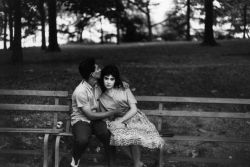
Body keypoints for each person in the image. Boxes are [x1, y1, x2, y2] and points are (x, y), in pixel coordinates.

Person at [98, 65, 165, 167]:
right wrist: (112, 123)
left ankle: (137, 164)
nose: (108, 81)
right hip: (117, 119)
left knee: (133, 135)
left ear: (116, 80)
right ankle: (138, 163)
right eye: (106, 78)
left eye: (112, 79)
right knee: (116, 136)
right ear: (102, 78)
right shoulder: (101, 96)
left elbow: (133, 109)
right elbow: (105, 115)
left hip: (133, 117)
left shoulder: (123, 89)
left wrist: (121, 121)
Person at [70, 58, 123, 167]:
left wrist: (122, 83)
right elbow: (90, 115)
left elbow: (115, 81)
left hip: (97, 119)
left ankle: (112, 165)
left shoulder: (98, 84)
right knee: (82, 140)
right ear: (92, 74)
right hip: (82, 119)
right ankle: (75, 159)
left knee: (108, 135)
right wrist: (112, 112)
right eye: (98, 68)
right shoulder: (80, 91)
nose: (100, 69)